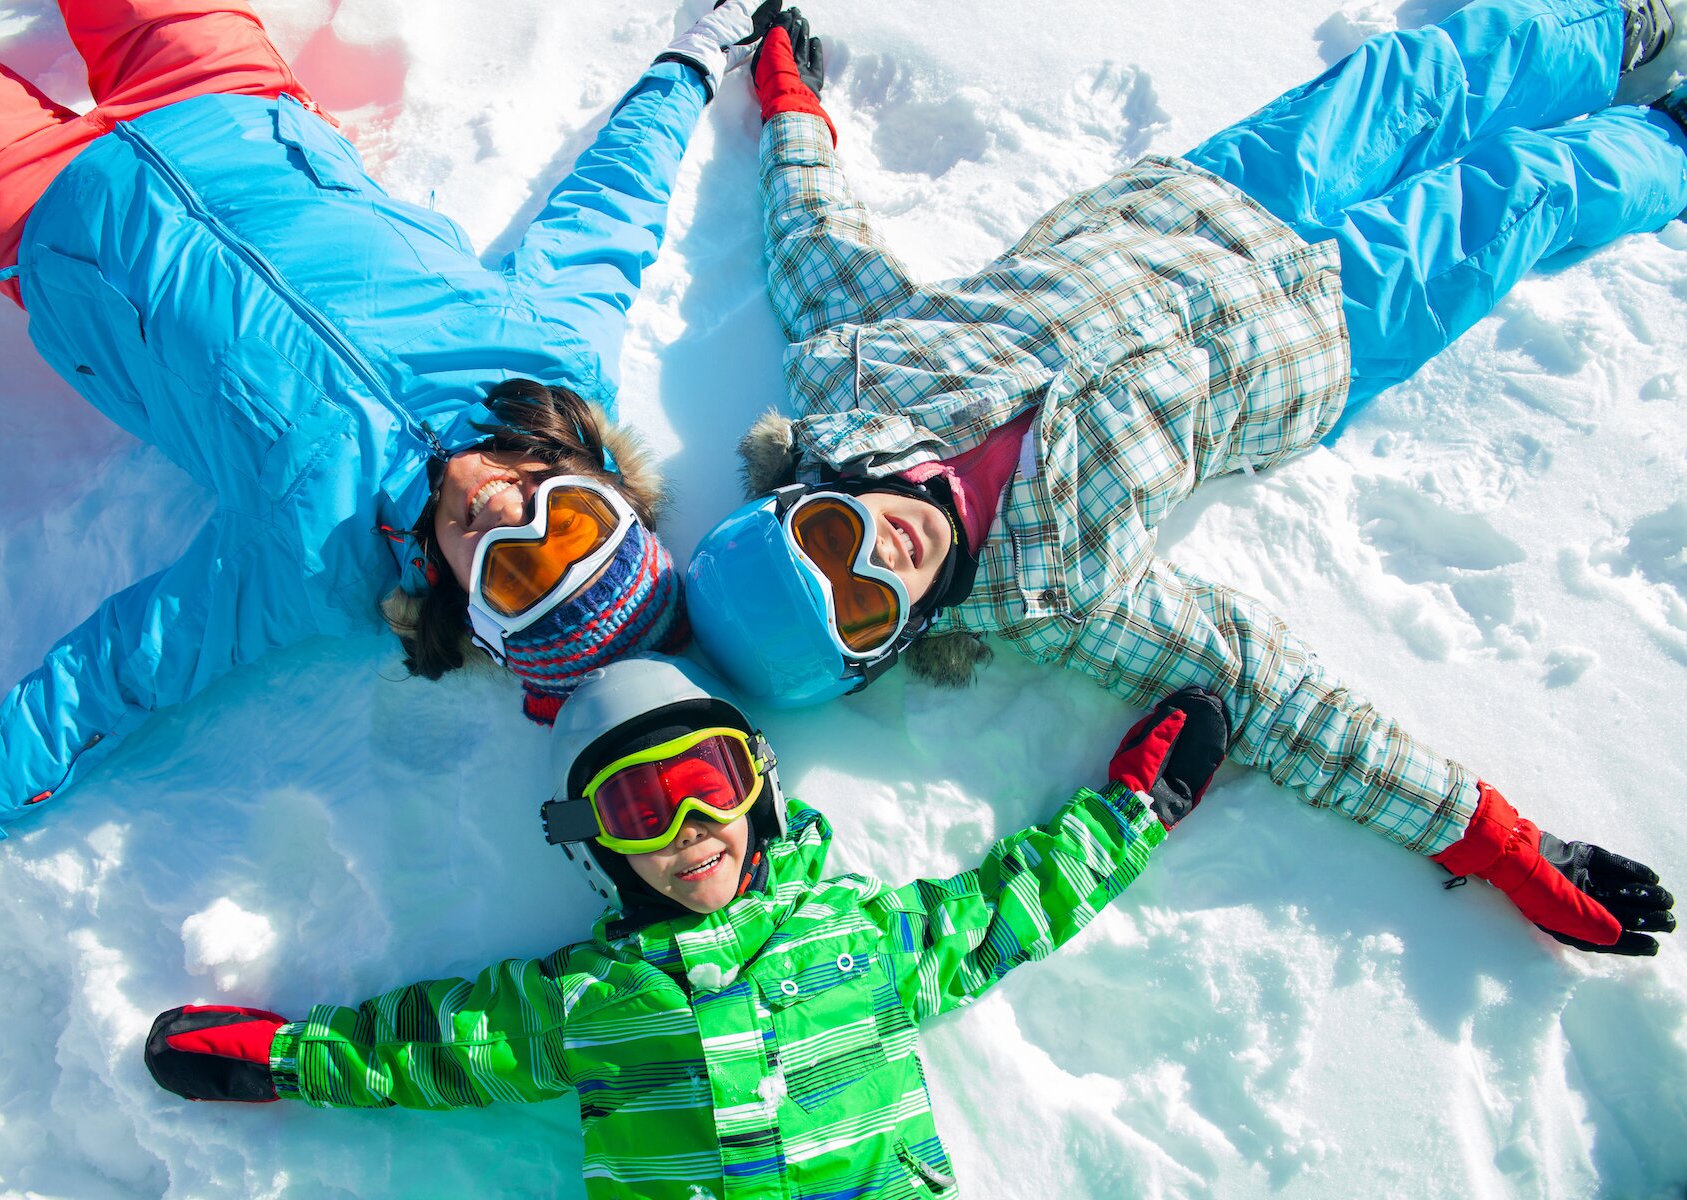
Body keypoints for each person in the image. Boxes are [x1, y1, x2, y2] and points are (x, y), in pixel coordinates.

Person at [684, 2, 1683, 956]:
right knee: (1519, 196)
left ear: (798, 493)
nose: (877, 552)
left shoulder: (861, 367)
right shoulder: (1064, 594)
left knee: (1417, 78)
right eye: (863, 606)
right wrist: (1502, 843)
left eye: (824, 537)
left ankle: (1620, 20)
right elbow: (1278, 697)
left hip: (1208, 199)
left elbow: (811, 237)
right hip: (1321, 329)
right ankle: (1668, 143)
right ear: (887, 647)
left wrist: (788, 106)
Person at [0, 0, 785, 954]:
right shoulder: (550, 350)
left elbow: (115, 672)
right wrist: (691, 60)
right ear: (600, 484)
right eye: (565, 521)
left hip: (46, 219)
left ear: (461, 604)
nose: (502, 511)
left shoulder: (309, 562)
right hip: (222, 94)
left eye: (512, 572)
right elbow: (616, 204)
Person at [142, 654, 1227, 1198]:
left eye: (708, 785)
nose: (689, 829)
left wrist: (1136, 810)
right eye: (637, 807)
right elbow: (431, 1049)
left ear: (756, 787)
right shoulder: (581, 1002)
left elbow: (1007, 909)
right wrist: (289, 1060)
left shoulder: (864, 941)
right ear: (598, 843)